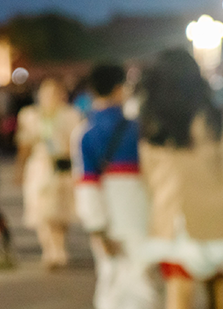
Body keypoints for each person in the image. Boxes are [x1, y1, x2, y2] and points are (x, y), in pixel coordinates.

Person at [137, 49, 223, 309]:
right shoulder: (213, 118)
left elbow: (148, 177)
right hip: (217, 218)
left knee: (178, 295)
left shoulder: (150, 124)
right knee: (220, 294)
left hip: (172, 219)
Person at [72, 64, 155, 309]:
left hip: (106, 216)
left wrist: (96, 227)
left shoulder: (84, 133)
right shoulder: (140, 128)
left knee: (111, 279)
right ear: (119, 89)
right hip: (139, 211)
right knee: (142, 281)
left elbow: (87, 185)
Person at [15, 78, 80, 268]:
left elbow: (75, 142)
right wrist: (19, 168)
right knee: (41, 211)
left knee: (60, 212)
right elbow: (24, 144)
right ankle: (49, 250)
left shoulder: (70, 115)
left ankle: (59, 248)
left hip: (62, 167)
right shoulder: (30, 115)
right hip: (40, 167)